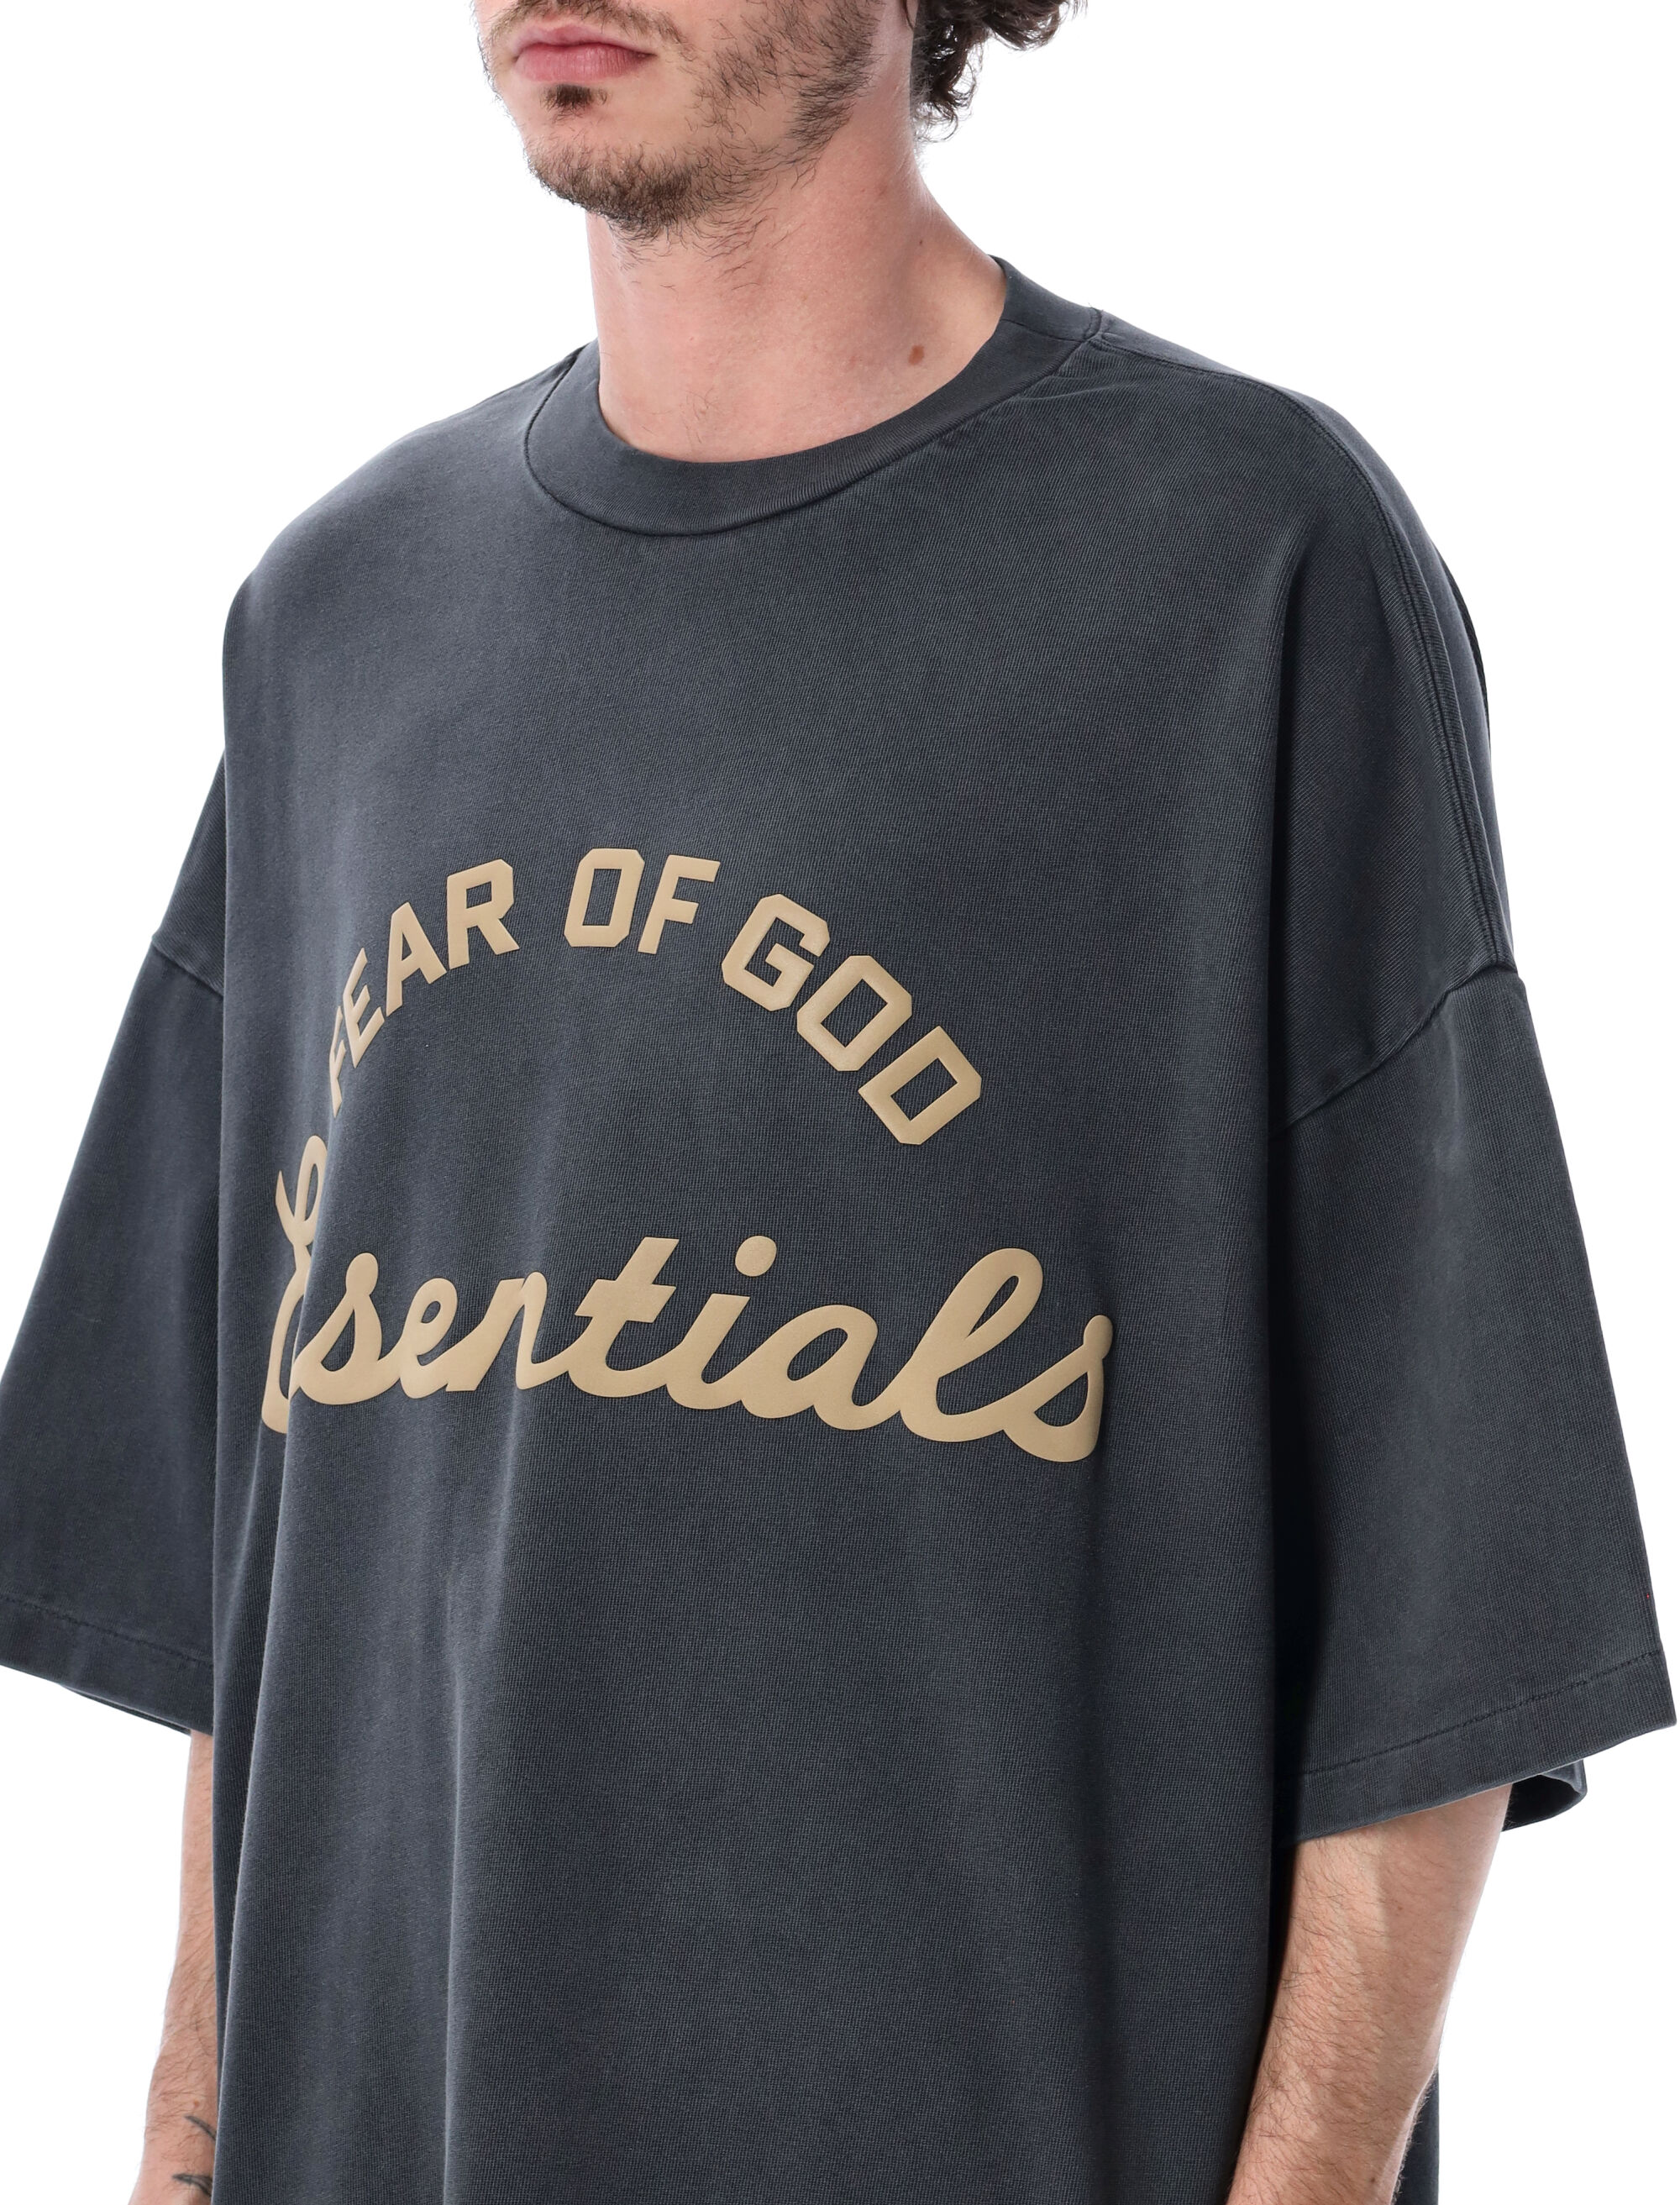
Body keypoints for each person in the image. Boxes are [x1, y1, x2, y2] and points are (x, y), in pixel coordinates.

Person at [0, 1, 1669, 2199]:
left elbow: (1447, 1595)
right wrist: (186, 2138)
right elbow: (267, 1552)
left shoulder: (1243, 561)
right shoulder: (338, 618)